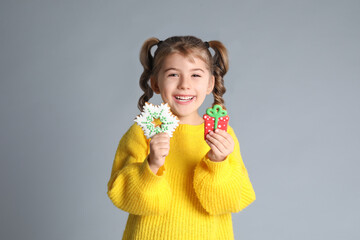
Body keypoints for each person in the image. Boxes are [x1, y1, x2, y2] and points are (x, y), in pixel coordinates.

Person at [107, 36, 256, 239]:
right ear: (155, 83)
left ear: (210, 83)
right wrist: (151, 166)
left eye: (195, 75)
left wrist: (218, 164)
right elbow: (123, 197)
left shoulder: (223, 135)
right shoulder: (142, 132)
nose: (184, 85)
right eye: (173, 75)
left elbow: (233, 200)